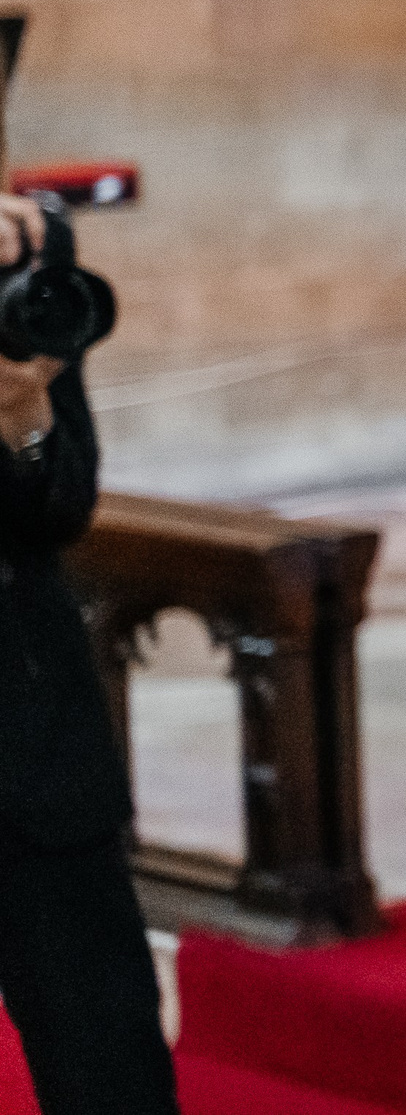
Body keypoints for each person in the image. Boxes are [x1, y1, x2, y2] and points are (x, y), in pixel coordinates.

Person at [0, 191, 181, 1115]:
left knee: (111, 1070)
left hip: (30, 741)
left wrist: (26, 418)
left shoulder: (28, 249)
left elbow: (62, 505)